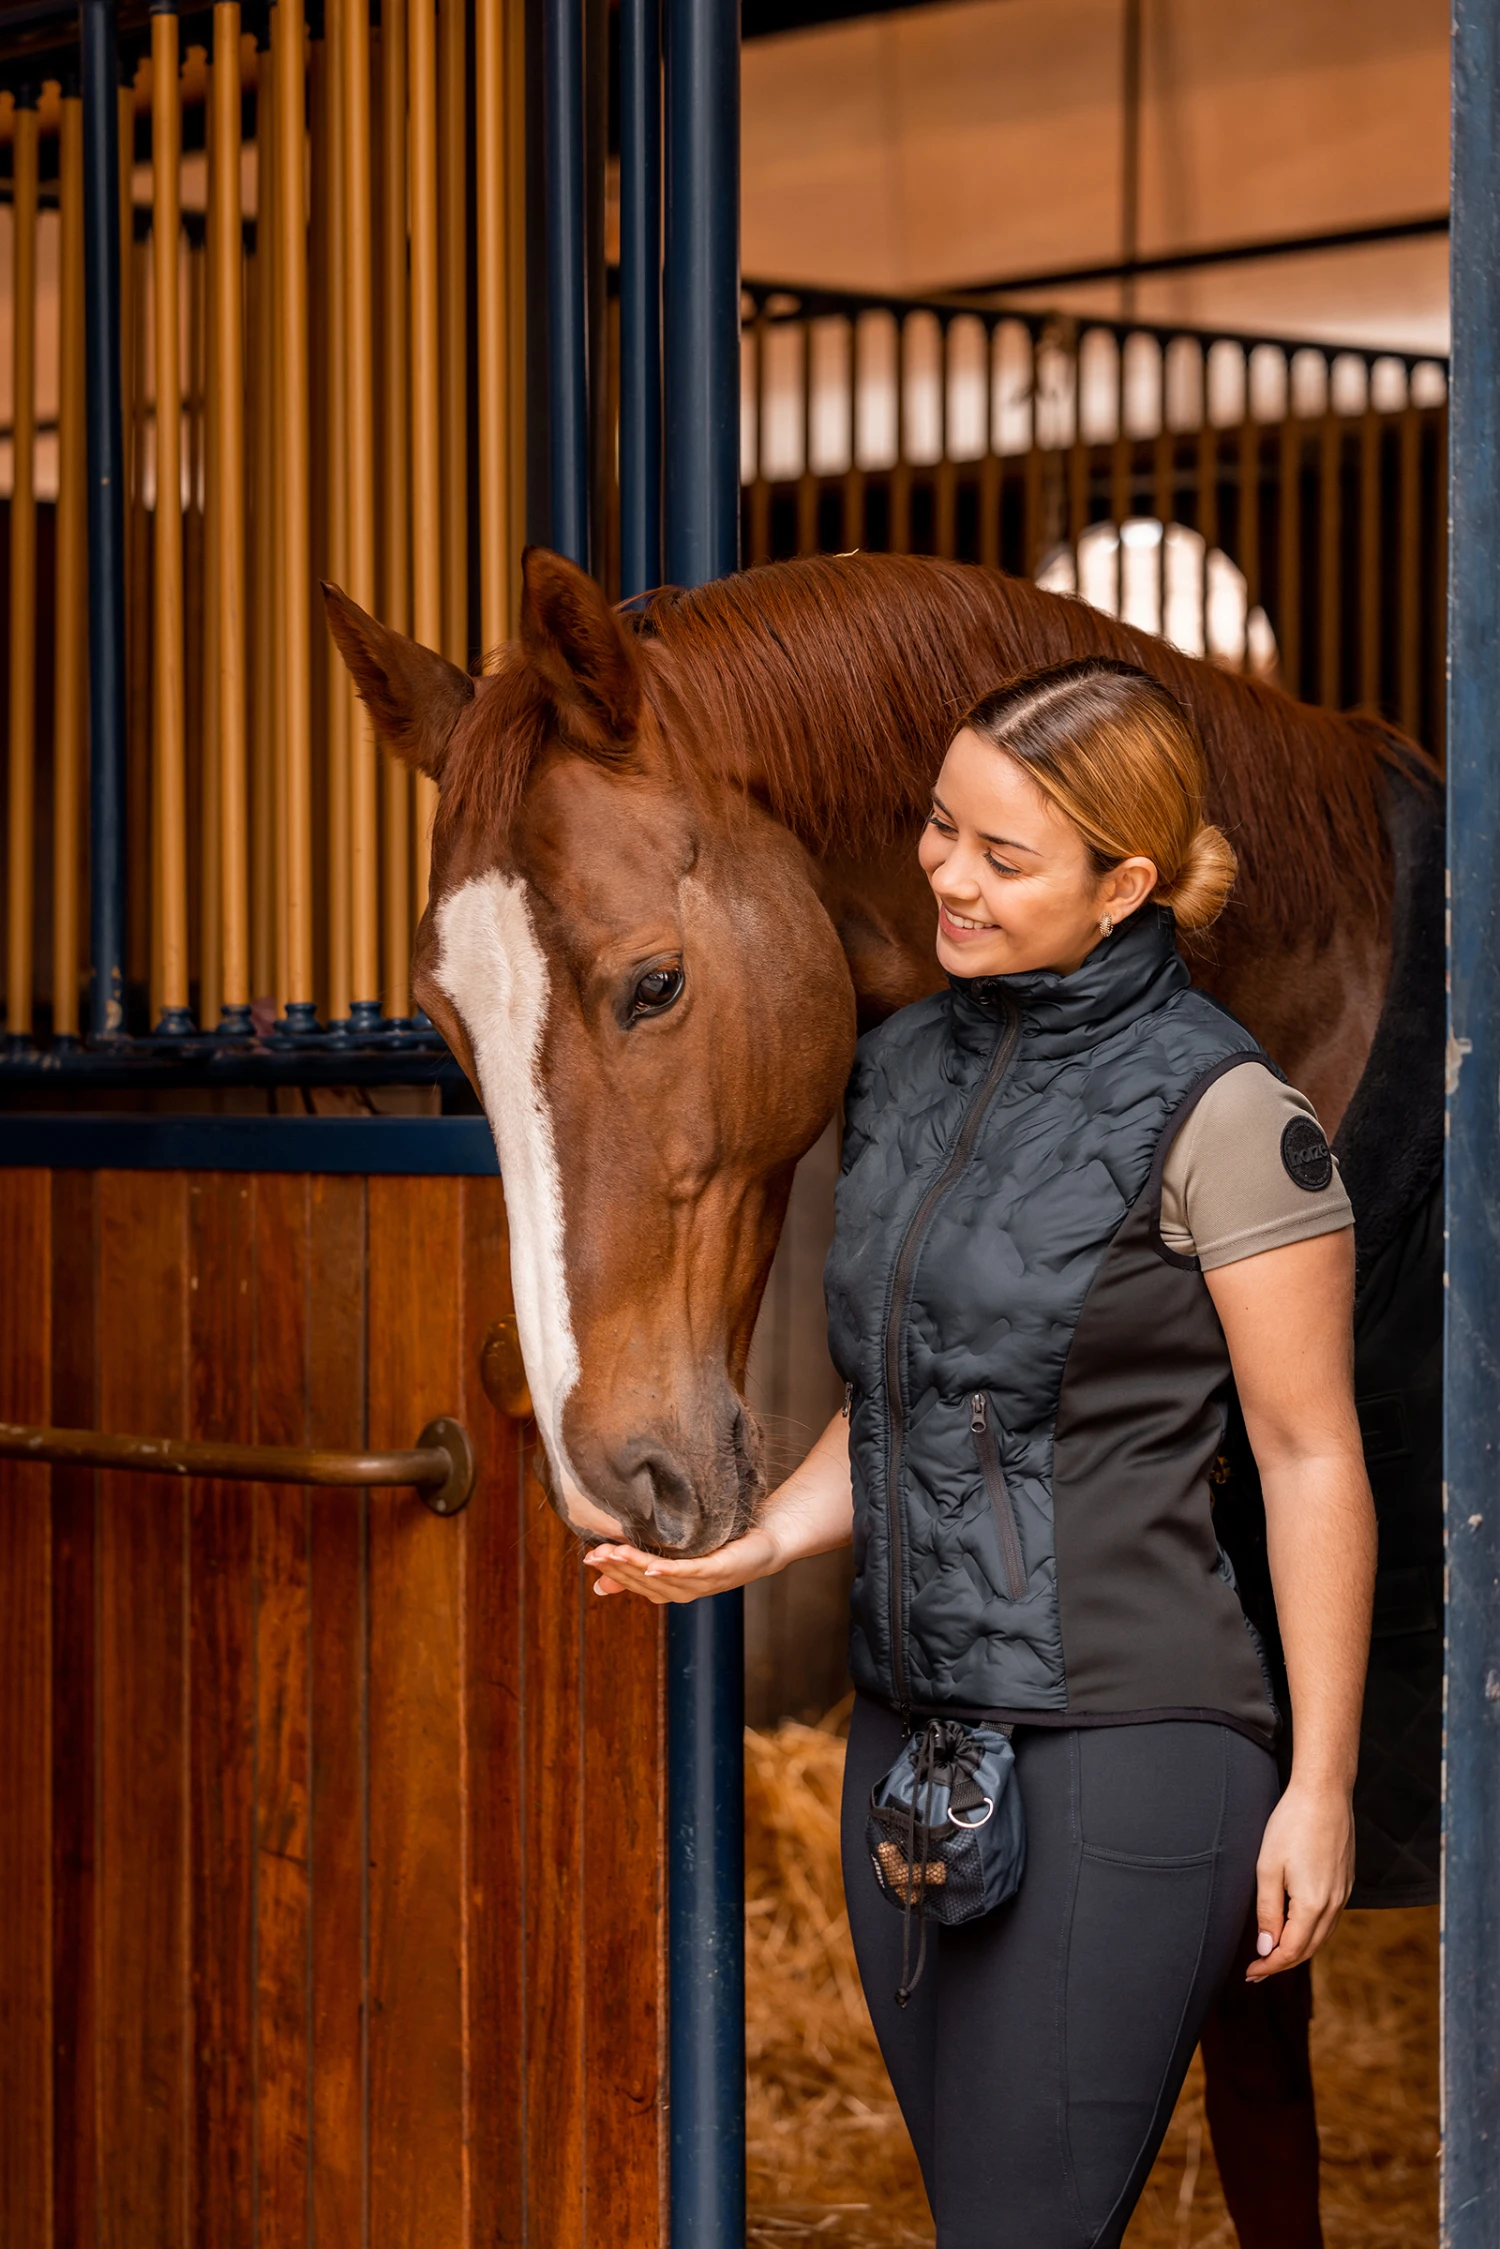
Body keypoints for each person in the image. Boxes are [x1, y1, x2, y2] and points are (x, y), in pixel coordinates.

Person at [588, 657, 1376, 2249]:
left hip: (1127, 1751)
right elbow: (913, 1399)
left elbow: (1309, 1462)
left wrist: (1326, 1786)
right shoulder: (901, 1070)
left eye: (1005, 856)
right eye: (943, 827)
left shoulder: (1227, 1114)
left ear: (1126, 882)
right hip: (909, 1749)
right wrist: (762, 1539)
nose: (946, 872)